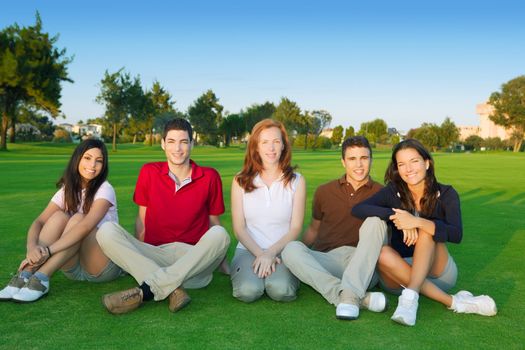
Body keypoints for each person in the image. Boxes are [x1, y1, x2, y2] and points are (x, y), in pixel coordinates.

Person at [352, 139, 497, 326]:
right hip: (398, 275)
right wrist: (399, 217)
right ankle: (454, 302)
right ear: (397, 169)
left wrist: (417, 222)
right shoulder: (392, 191)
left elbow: (456, 234)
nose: (408, 169)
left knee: (427, 231)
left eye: (414, 161)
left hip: (438, 273)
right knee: (382, 253)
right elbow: (359, 209)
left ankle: (410, 298)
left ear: (427, 163)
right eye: (402, 164)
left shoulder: (446, 194)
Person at [97, 118, 230, 314]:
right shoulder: (149, 172)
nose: (178, 148)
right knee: (106, 231)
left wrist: (222, 264)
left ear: (192, 144)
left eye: (184, 142)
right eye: (171, 142)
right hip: (155, 256)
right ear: (162, 144)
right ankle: (172, 289)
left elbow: (213, 223)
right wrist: (134, 254)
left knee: (220, 233)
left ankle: (146, 290)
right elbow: (142, 220)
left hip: (193, 263)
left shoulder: (210, 176)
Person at [0, 139, 122, 303]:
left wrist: (47, 252)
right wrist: (32, 249)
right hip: (72, 267)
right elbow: (39, 222)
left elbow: (86, 227)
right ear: (77, 159)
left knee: (79, 219)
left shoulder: (105, 189)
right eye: (87, 158)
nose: (92, 165)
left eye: (98, 161)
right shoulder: (67, 190)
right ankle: (26, 274)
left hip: (101, 268)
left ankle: (42, 277)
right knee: (58, 217)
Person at [282, 136, 388, 320]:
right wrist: (299, 258)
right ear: (343, 162)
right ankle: (350, 297)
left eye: (364, 158)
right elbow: (314, 230)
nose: (359, 165)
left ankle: (348, 296)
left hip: (364, 264)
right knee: (290, 249)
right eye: (352, 159)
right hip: (328, 260)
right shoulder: (324, 191)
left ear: (371, 159)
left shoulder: (383, 193)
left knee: (376, 222)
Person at [230, 119, 305, 302]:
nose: (271, 148)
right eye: (265, 142)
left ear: (283, 146)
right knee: (249, 291)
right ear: (256, 147)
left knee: (281, 290)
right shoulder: (240, 181)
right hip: (248, 249)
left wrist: (271, 254)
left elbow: (295, 228)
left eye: (276, 142)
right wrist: (261, 255)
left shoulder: (297, 181)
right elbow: (239, 228)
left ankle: (282, 275)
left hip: (282, 251)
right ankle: (249, 273)